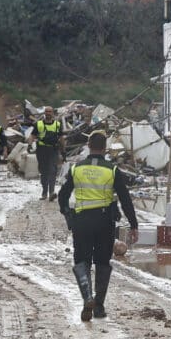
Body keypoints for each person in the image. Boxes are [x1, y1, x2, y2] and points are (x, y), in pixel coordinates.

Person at [58, 131, 139, 322]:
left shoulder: (76, 168)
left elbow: (62, 196)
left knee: (81, 261)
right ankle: (99, 306)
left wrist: (67, 215)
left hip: (82, 222)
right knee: (102, 262)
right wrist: (134, 225)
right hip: (104, 222)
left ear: (88, 145)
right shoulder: (111, 170)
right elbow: (125, 200)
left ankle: (87, 297)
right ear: (105, 148)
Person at [29, 106, 65, 201]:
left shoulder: (57, 124)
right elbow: (32, 135)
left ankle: (51, 192)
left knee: (53, 170)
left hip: (53, 150)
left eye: (50, 111)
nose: (48, 113)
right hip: (41, 150)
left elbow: (61, 138)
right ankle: (44, 192)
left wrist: (63, 151)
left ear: (52, 113)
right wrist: (29, 144)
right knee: (43, 171)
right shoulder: (39, 124)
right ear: (44, 113)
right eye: (46, 111)